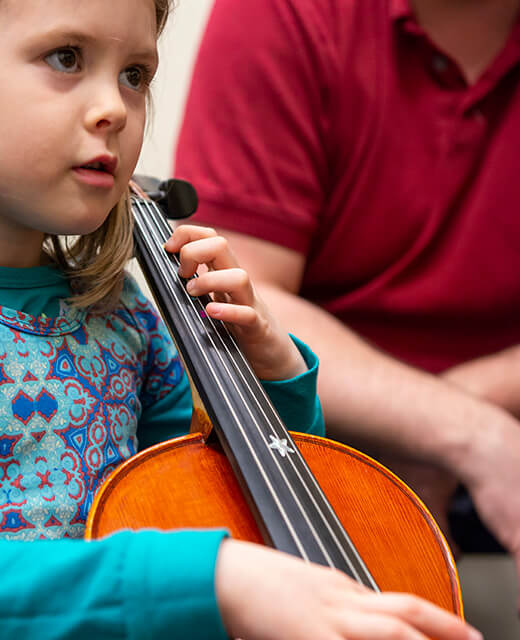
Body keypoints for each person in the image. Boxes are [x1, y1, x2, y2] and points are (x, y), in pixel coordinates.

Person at [0, 1, 482, 639]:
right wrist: (213, 580)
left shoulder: (127, 326)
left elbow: (238, 512)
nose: (113, 107)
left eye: (135, 74)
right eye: (66, 58)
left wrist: (274, 375)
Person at [175, 0, 520, 605]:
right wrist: (466, 432)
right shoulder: (281, 14)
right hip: (325, 443)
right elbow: (245, 294)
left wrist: (468, 418)